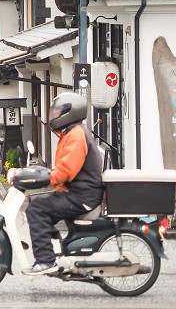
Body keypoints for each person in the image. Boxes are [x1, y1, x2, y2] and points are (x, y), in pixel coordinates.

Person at [21, 92, 104, 276]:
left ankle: (45, 260)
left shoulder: (75, 135)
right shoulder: (71, 133)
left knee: (37, 209)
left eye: (58, 112)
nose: (54, 116)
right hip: (78, 193)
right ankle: (54, 251)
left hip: (81, 196)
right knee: (39, 204)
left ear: (70, 112)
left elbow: (65, 171)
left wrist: (44, 179)